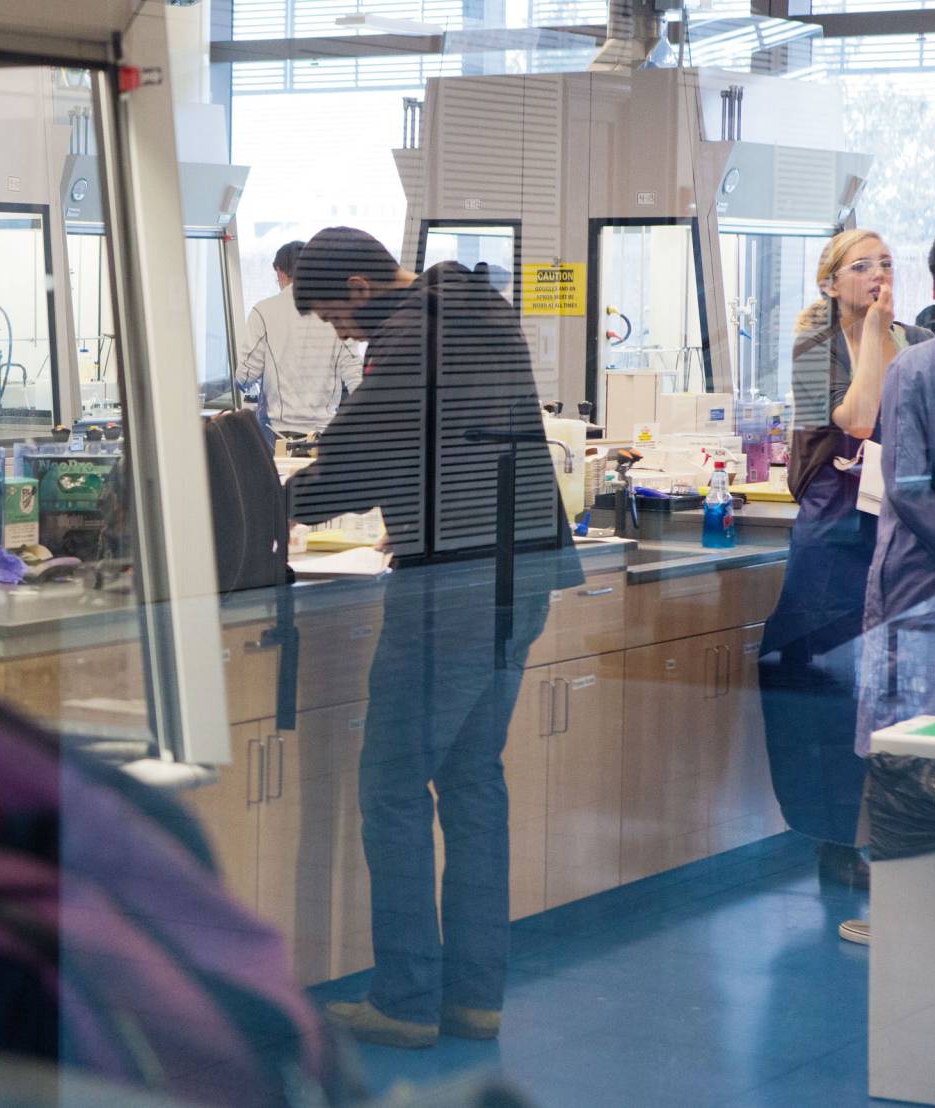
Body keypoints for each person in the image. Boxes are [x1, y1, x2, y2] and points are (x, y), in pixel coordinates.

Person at [286, 227, 579, 1048]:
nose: (340, 334)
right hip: (523, 577)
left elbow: (354, 464)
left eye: (333, 317)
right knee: (474, 783)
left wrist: (271, 501)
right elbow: (444, 447)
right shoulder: (477, 305)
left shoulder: (409, 331)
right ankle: (475, 999)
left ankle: (407, 1001)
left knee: (390, 787)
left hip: (451, 590)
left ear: (358, 287)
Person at [758, 229, 929, 891]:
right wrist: (872, 335)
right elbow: (858, 418)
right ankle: (832, 843)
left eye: (886, 263)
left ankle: (898, 834)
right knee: (826, 690)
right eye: (862, 267)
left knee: (885, 689)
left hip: (899, 529)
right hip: (834, 537)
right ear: (832, 284)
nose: (878, 275)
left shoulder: (915, 341)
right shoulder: (814, 348)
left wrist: (892, 333)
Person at [844, 219, 935, 944]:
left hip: (925, 591)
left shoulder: (917, 368)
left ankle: (904, 916)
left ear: (932, 287)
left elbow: (910, 486)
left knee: (910, 750)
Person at [236, 240, 361, 445]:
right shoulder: (338, 311)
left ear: (279, 271)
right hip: (326, 435)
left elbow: (246, 375)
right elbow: (355, 377)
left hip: (280, 435)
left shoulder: (263, 311)